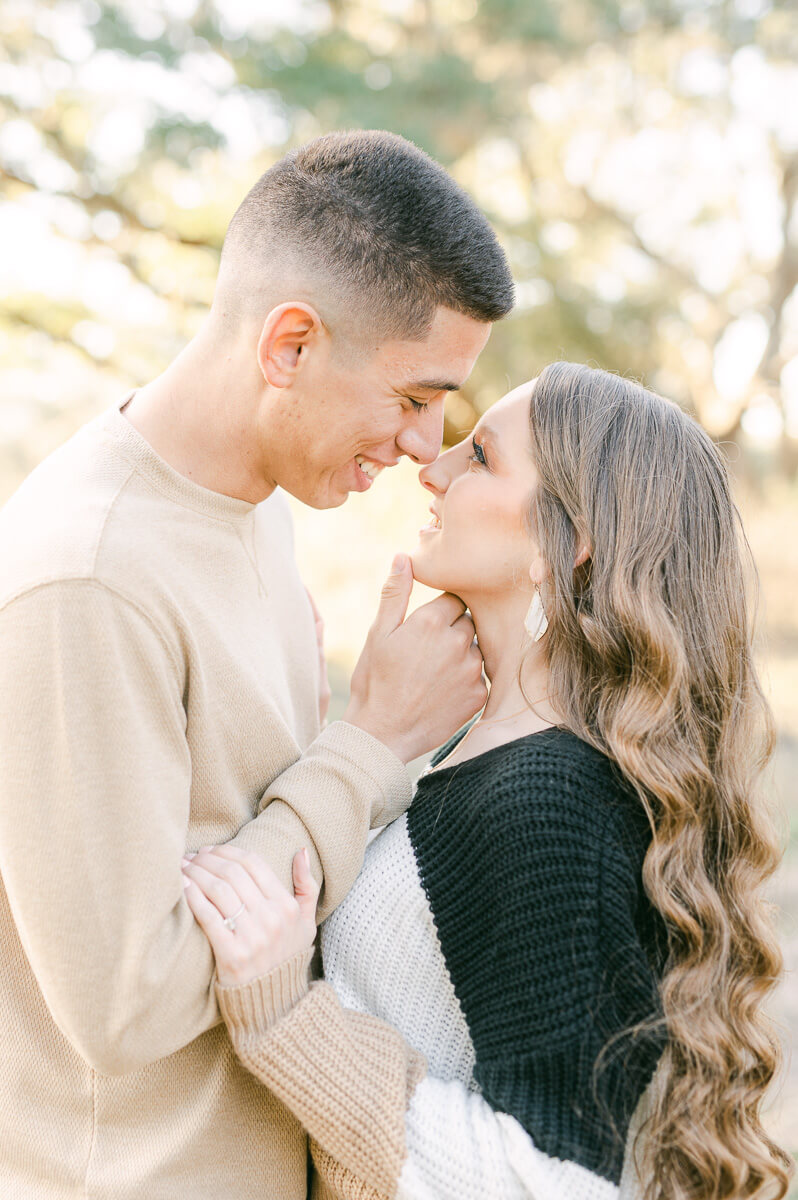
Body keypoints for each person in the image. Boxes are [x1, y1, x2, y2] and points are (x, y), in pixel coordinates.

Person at [0, 130, 514, 1199]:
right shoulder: (85, 579)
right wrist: (365, 749)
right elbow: (124, 1004)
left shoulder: (259, 514)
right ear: (289, 345)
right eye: (414, 399)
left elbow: (255, 832)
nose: (426, 446)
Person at [184, 363, 794, 1200]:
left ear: (563, 540)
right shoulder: (480, 751)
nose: (431, 467)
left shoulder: (551, 803)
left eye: (480, 458)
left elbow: (556, 1182)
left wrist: (289, 1019)